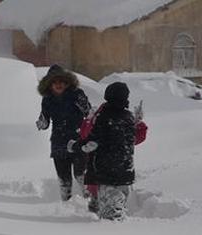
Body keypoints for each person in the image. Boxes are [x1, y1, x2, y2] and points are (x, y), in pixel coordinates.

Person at [68, 82, 136, 221]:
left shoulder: (104, 117)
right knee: (118, 209)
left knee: (110, 215)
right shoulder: (129, 117)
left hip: (107, 171)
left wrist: (75, 146)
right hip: (126, 171)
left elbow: (92, 143)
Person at [36, 65, 91, 201]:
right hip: (58, 143)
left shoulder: (77, 94)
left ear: (67, 82)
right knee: (63, 179)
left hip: (78, 141)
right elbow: (45, 121)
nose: (59, 84)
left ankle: (91, 202)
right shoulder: (47, 99)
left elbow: (89, 114)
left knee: (81, 175)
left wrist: (85, 106)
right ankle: (66, 206)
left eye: (62, 81)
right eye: (55, 82)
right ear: (49, 84)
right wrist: (42, 123)